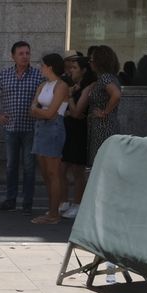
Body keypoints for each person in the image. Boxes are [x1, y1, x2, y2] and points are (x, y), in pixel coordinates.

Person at [0, 40, 39, 212]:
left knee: (29, 167)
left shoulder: (38, 75)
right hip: (11, 129)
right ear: (13, 56)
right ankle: (10, 200)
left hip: (31, 128)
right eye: (21, 53)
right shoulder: (4, 75)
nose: (25, 56)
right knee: (11, 166)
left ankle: (27, 203)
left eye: (27, 53)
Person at [29, 53, 69, 225]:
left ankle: (54, 213)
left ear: (50, 67)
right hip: (41, 128)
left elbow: (51, 113)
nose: (40, 67)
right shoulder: (43, 85)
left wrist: (39, 111)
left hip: (53, 128)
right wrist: (40, 112)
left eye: (42, 65)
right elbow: (33, 109)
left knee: (53, 172)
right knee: (45, 173)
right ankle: (52, 209)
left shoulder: (61, 86)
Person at [59, 53, 95, 218]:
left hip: (80, 130)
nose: (70, 71)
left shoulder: (87, 87)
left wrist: (69, 98)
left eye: (74, 68)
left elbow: (76, 112)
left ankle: (78, 203)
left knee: (77, 170)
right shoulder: (76, 86)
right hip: (69, 129)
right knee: (62, 167)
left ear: (84, 70)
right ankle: (64, 201)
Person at [82, 45, 124, 164]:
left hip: (102, 127)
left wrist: (105, 111)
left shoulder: (105, 78)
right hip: (106, 125)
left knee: (101, 161)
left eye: (92, 60)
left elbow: (116, 94)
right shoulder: (110, 77)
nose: (90, 63)